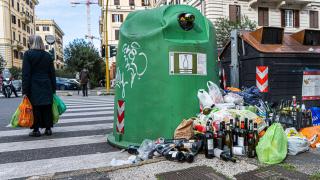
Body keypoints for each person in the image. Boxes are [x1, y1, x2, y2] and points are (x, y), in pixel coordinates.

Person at [22, 35, 56, 137]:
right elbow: (52, 73)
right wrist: (53, 88)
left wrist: (25, 90)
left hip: (34, 84)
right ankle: (48, 129)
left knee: (35, 107)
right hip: (47, 84)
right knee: (47, 106)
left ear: (32, 42)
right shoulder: (48, 56)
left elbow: (26, 74)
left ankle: (36, 130)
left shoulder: (28, 54)